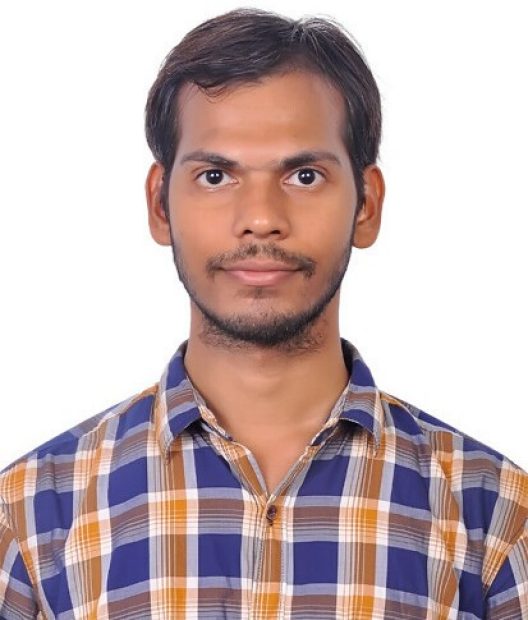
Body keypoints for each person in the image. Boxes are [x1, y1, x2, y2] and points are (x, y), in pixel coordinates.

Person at [1, 7, 526, 619]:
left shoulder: (494, 518)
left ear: (366, 205)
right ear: (160, 205)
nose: (260, 217)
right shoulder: (32, 518)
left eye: (303, 175)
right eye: (215, 175)